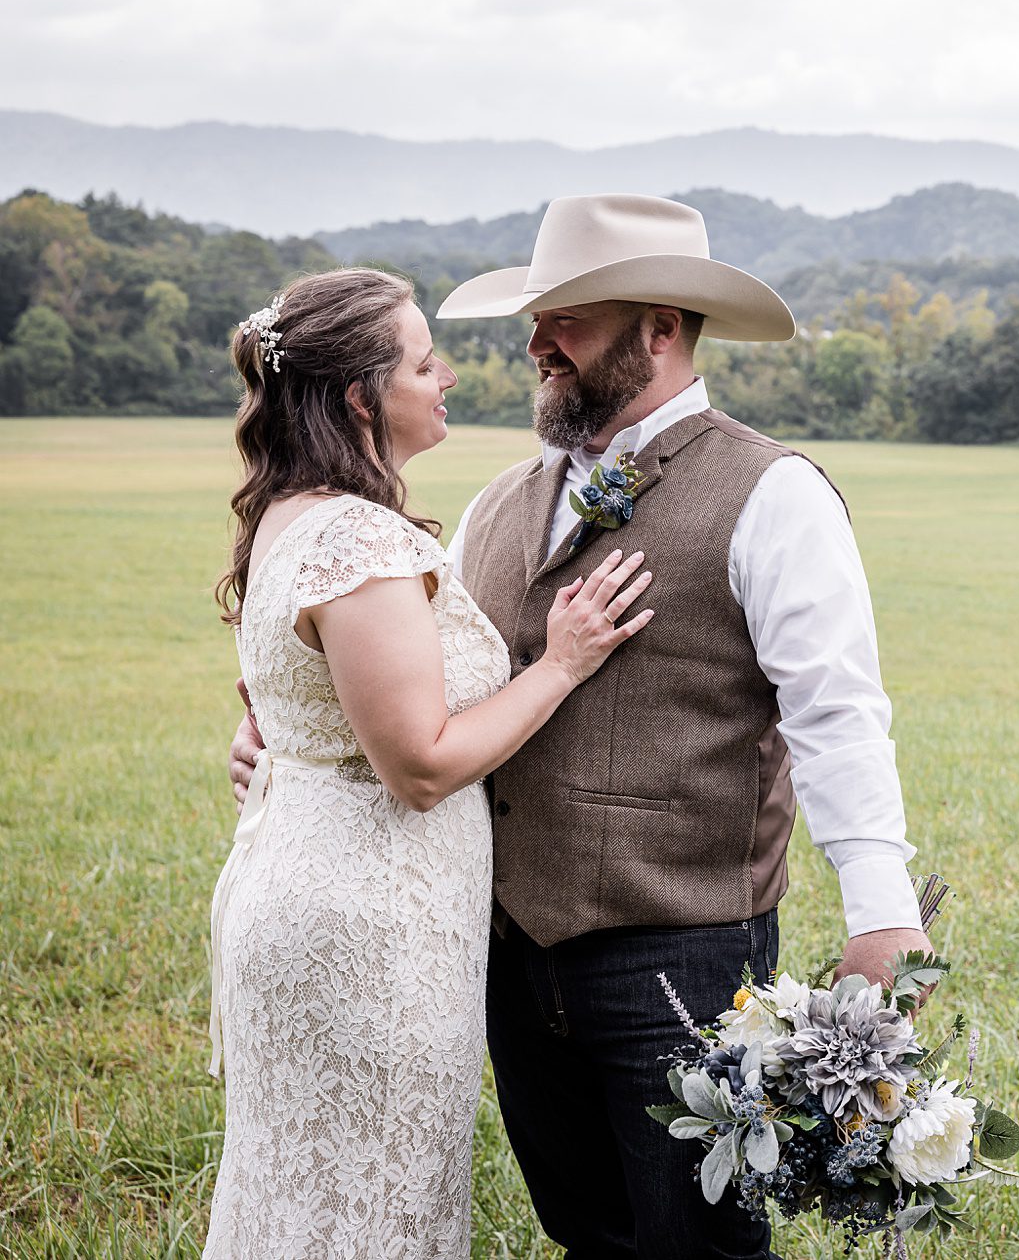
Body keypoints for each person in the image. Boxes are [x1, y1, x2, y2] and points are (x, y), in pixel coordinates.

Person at [228, 195, 932, 1259]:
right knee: (588, 1234)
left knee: (700, 1243)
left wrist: (880, 912)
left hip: (682, 952)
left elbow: (836, 712)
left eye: (569, 319)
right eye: (534, 316)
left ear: (658, 326)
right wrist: (287, 749)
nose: (534, 342)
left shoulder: (774, 492)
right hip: (506, 955)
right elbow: (405, 690)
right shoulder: (496, 503)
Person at [206, 267, 653, 1258]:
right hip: (370, 925)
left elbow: (307, 700)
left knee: (310, 1195)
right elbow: (419, 763)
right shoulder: (356, 535)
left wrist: (276, 740)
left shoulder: (289, 510)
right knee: (371, 1207)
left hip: (318, 888)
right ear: (362, 395)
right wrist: (564, 662)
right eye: (421, 361)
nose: (444, 374)